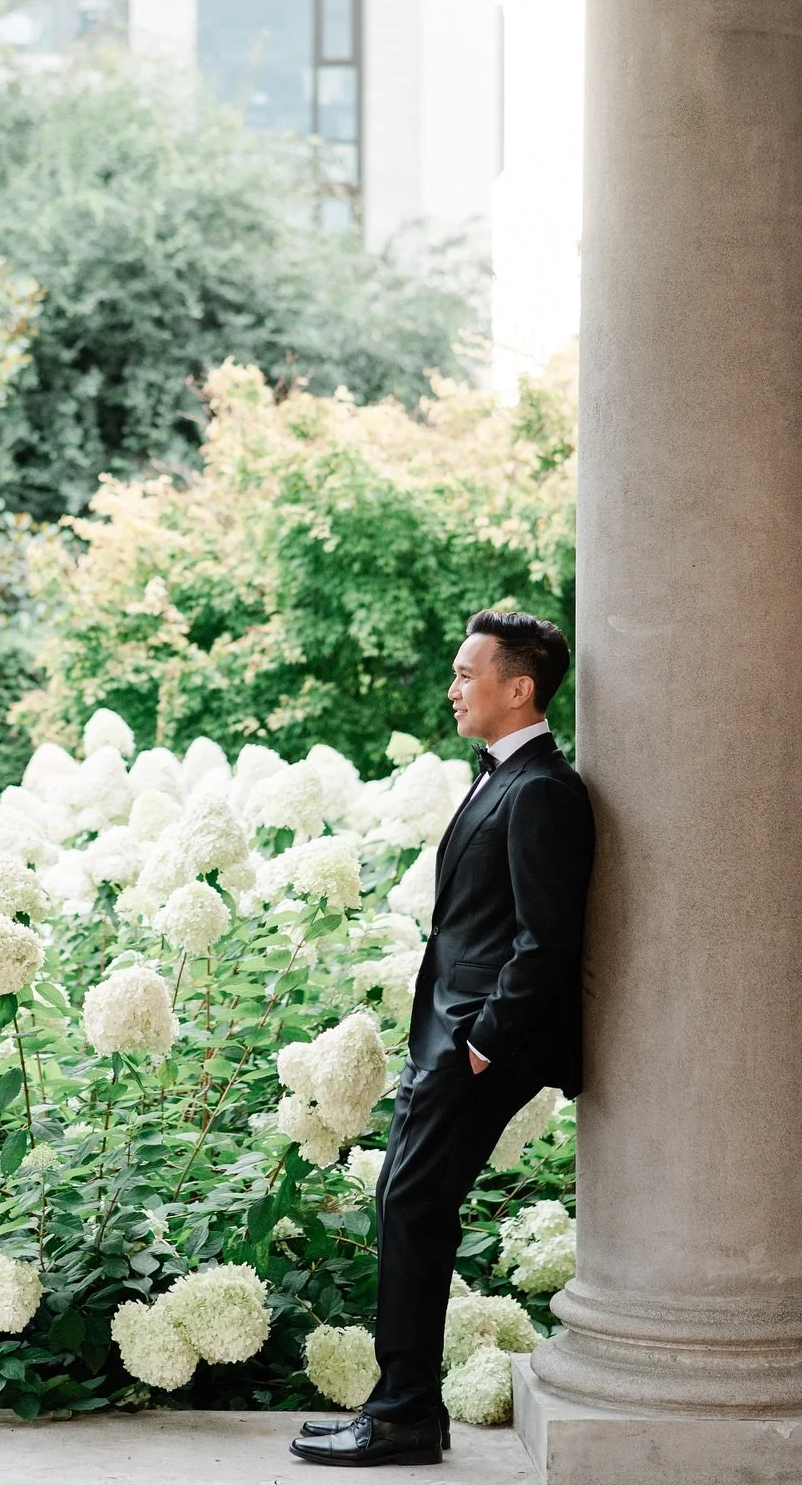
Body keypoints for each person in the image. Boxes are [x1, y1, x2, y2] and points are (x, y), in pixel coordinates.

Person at [291, 610, 594, 1468]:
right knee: (405, 1204)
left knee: (413, 1208)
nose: (453, 689)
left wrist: (482, 1042)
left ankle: (404, 1418)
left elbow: (546, 938)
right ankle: (403, 1409)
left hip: (478, 1044)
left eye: (467, 674)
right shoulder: (501, 776)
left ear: (519, 688)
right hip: (449, 1035)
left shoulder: (541, 789)